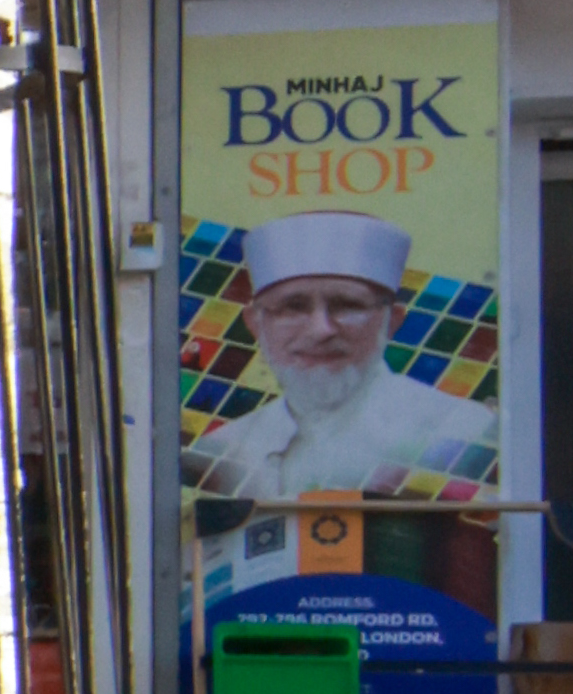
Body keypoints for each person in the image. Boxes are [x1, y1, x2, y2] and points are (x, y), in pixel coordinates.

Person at [190, 218, 499, 510]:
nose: (321, 330)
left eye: (346, 305)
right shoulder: (218, 452)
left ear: (392, 321)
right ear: (255, 324)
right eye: (293, 307)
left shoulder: (465, 431)